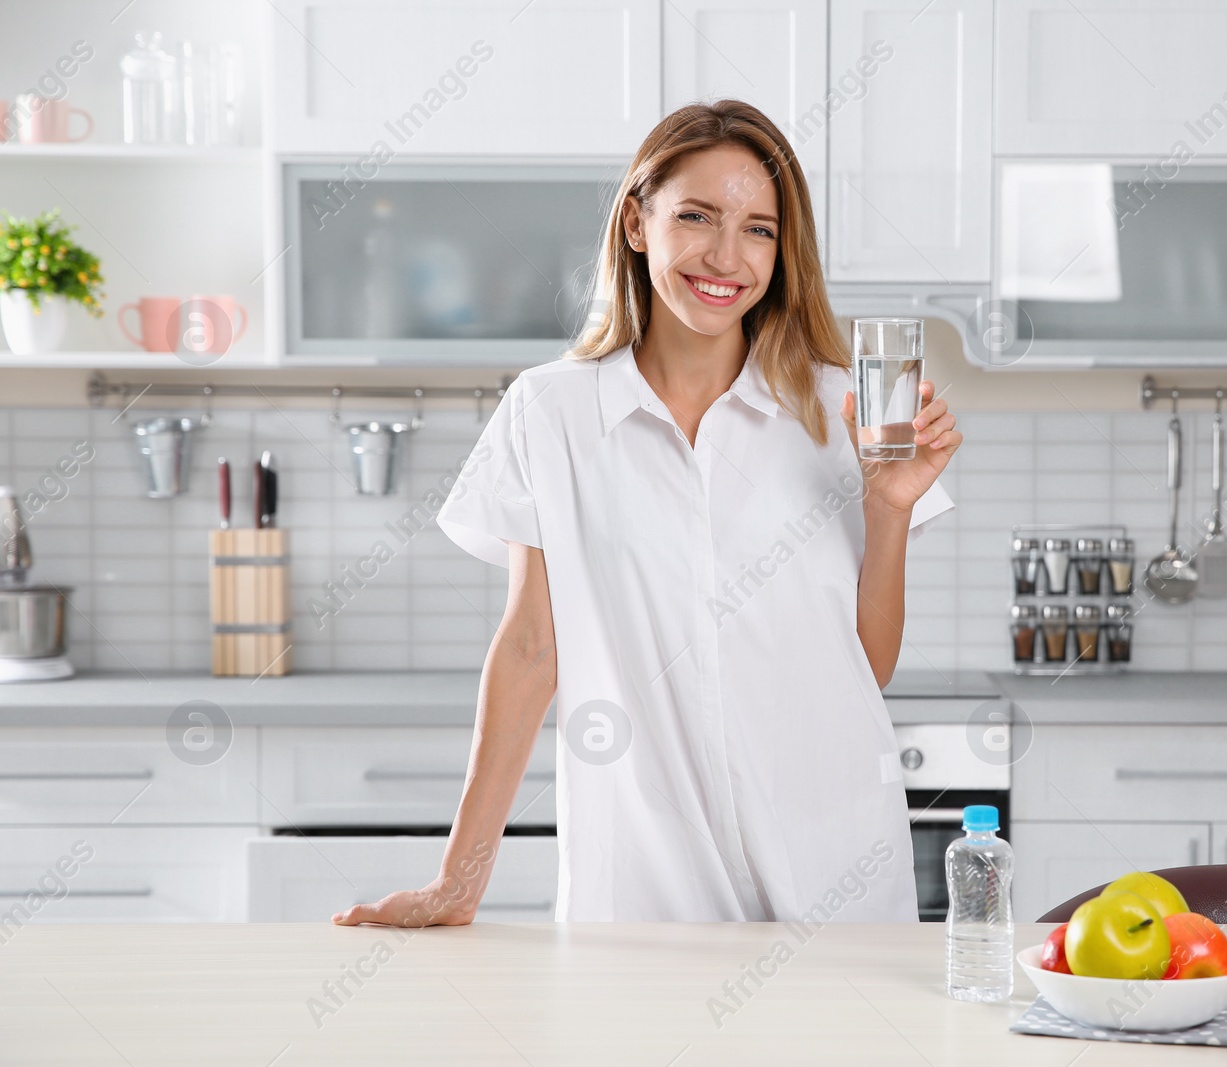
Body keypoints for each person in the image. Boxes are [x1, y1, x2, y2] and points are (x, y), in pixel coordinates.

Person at [331, 99, 960, 926]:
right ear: (637, 220)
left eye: (759, 229)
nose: (726, 256)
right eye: (696, 217)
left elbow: (865, 668)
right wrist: (458, 881)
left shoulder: (844, 412)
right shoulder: (551, 412)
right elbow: (528, 650)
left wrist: (887, 512)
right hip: (642, 883)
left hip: (831, 870)